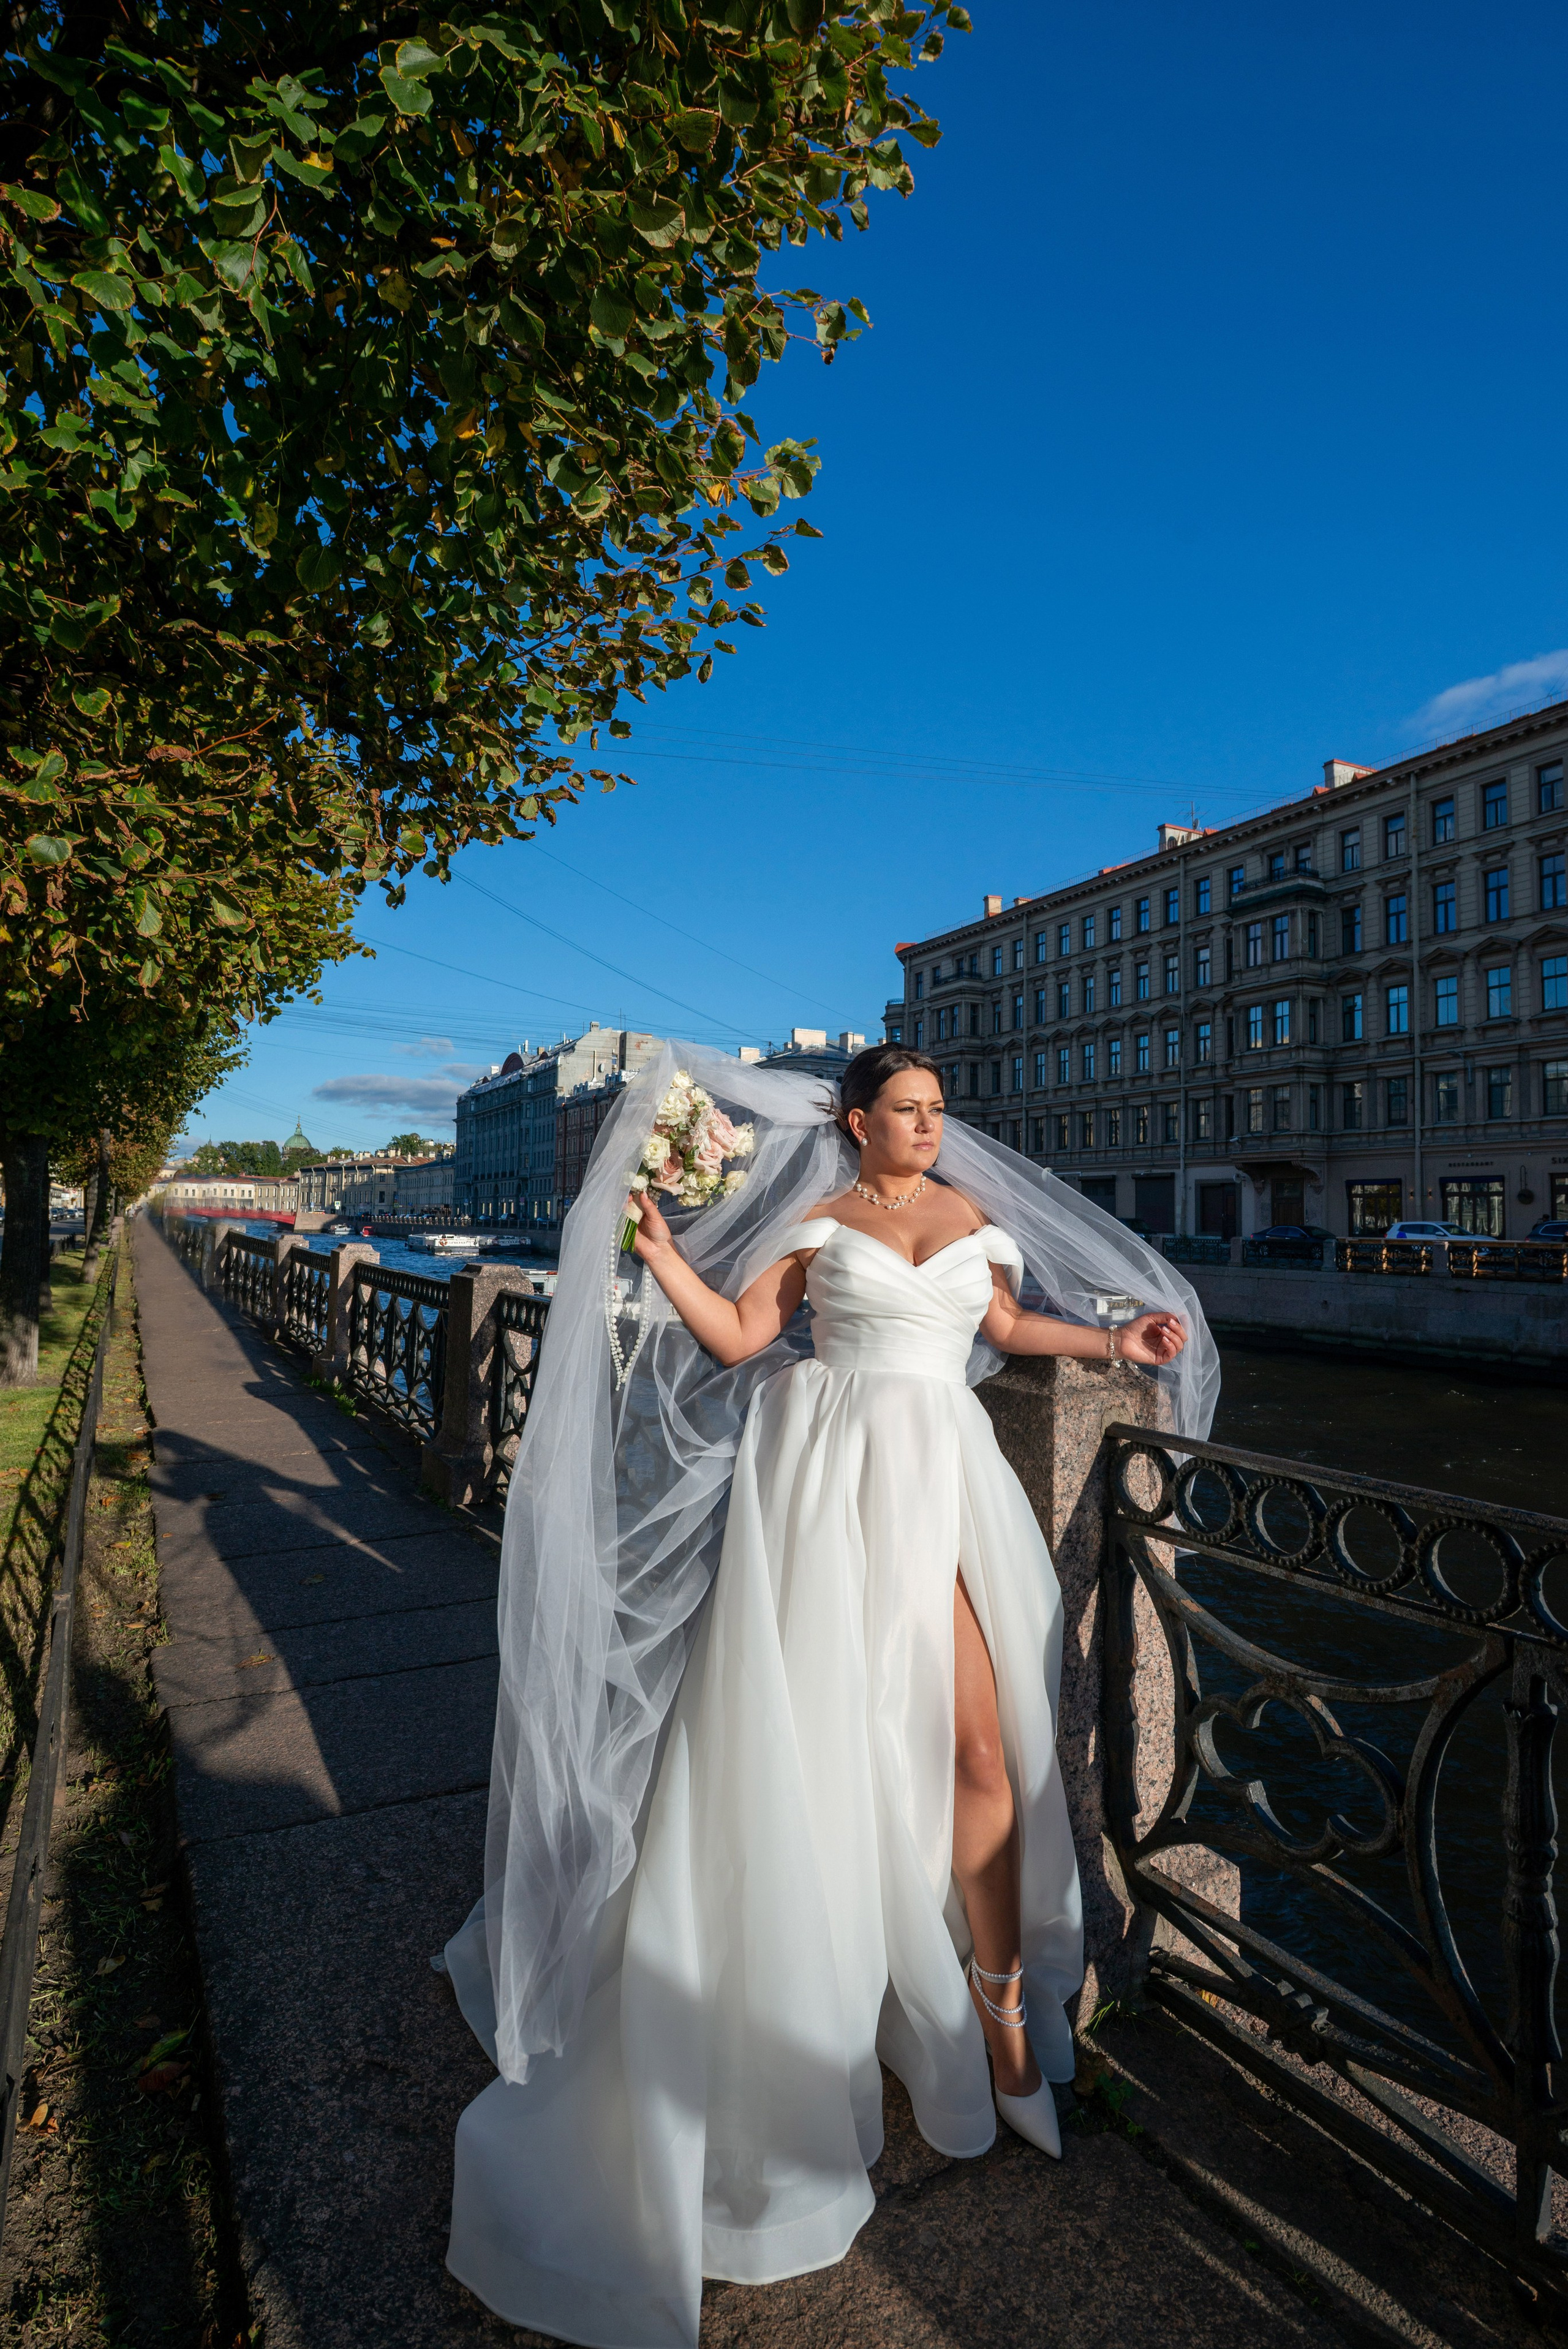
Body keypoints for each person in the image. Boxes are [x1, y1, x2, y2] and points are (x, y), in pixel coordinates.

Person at [443, 1043, 1205, 2349]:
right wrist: (659, 1247)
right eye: (908, 1110)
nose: (931, 1128)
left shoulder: (976, 1219)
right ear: (856, 1122)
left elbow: (1007, 1330)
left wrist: (1113, 1337)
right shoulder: (814, 1222)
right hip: (823, 1493)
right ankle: (838, 2013)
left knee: (982, 1754)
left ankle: (1001, 2010)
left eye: (938, 1112)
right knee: (826, 1748)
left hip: (941, 1484)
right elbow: (743, 1337)